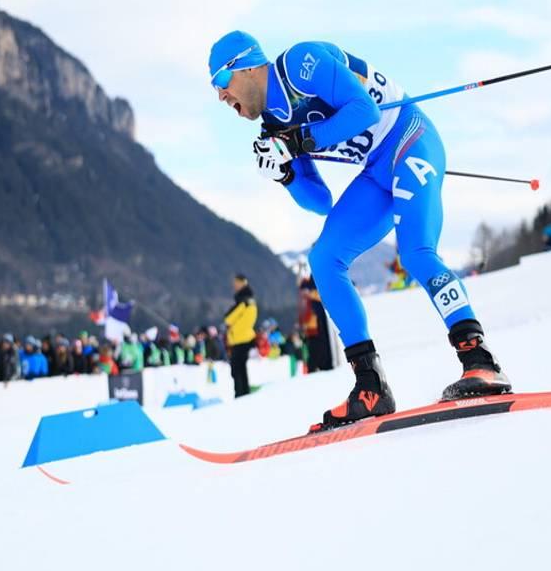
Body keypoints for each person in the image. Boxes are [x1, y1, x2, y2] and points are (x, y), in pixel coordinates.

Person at [208, 31, 511, 429]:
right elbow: (320, 201)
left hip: (409, 138)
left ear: (245, 65)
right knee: (324, 259)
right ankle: (371, 387)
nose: (220, 97)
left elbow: (364, 110)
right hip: (375, 172)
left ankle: (480, 362)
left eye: (220, 82)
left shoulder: (300, 64)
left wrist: (303, 140)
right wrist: (285, 172)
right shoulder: (272, 128)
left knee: (416, 252)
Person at [223, 273, 257, 398]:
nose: (234, 286)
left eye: (236, 283)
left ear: (243, 283)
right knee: (241, 368)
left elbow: (228, 318)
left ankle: (240, 394)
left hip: (240, 338)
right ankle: (244, 392)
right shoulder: (250, 299)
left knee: (237, 369)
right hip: (244, 337)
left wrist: (229, 323)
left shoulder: (244, 300)